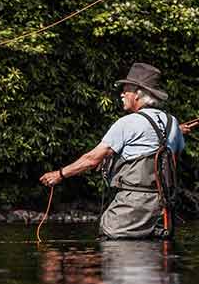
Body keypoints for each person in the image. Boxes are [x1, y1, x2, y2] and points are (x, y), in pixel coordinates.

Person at [39, 63, 188, 239]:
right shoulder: (172, 123)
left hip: (131, 208)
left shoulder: (127, 123)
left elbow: (91, 159)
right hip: (162, 211)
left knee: (110, 241)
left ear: (139, 94)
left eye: (126, 90)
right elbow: (171, 159)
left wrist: (60, 174)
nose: (122, 94)